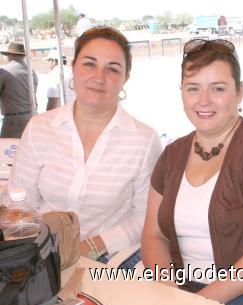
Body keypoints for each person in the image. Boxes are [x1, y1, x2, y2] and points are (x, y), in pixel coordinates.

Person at [141, 39, 243, 305]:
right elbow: (154, 235)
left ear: (239, 93)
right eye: (193, 88)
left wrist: (197, 304)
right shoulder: (172, 155)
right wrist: (168, 290)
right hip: (184, 288)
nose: (204, 100)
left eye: (218, 88)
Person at [9, 27, 162, 267]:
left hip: (110, 258)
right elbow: (20, 200)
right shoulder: (40, 128)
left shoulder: (144, 140)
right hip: (41, 253)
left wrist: (91, 247)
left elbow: (145, 217)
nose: (99, 77)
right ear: (73, 68)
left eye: (112, 69)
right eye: (89, 64)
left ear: (126, 78)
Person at [0, 42, 38, 138]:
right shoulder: (31, 72)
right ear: (22, 56)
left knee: (7, 150)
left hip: (13, 121)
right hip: (31, 117)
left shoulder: (4, 71)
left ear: (9, 55)